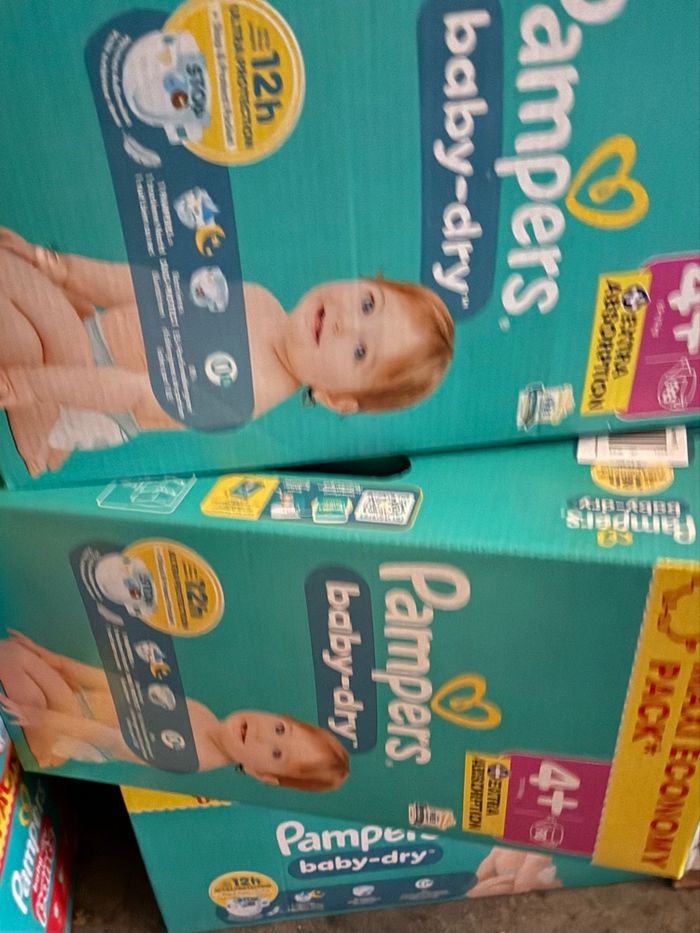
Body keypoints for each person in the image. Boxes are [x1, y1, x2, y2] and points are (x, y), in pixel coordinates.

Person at [0, 227, 454, 476]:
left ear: (336, 399)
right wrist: (59, 268)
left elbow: (134, 394)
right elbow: (154, 293)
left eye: (359, 352)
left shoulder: (245, 395)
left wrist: (29, 386)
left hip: (83, 401)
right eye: (368, 304)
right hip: (87, 338)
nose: (345, 322)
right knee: (30, 281)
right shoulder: (259, 299)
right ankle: (41, 433)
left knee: (21, 323)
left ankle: (41, 436)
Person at [0, 630, 349, 792]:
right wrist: (58, 663)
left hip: (66, 733)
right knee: (19, 653)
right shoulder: (204, 713)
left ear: (261, 775)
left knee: (12, 658)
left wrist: (46, 720)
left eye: (275, 753)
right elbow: (121, 688)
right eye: (279, 729)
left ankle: (30, 723)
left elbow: (109, 740)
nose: (262, 734)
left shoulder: (191, 755)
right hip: (74, 704)